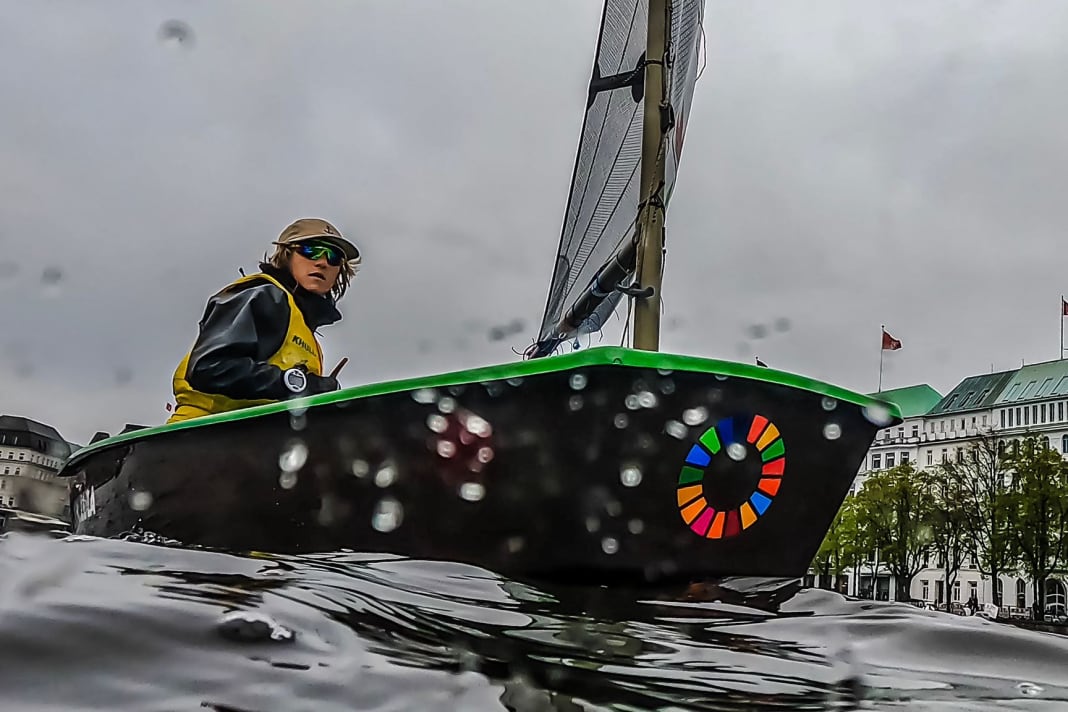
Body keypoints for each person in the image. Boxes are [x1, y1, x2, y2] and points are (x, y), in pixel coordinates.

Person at [166, 218, 360, 424]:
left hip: (252, 435)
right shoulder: (266, 296)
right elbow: (210, 368)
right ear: (286, 254)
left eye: (334, 257)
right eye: (310, 250)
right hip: (203, 432)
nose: (322, 262)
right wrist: (299, 384)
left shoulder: (302, 326)